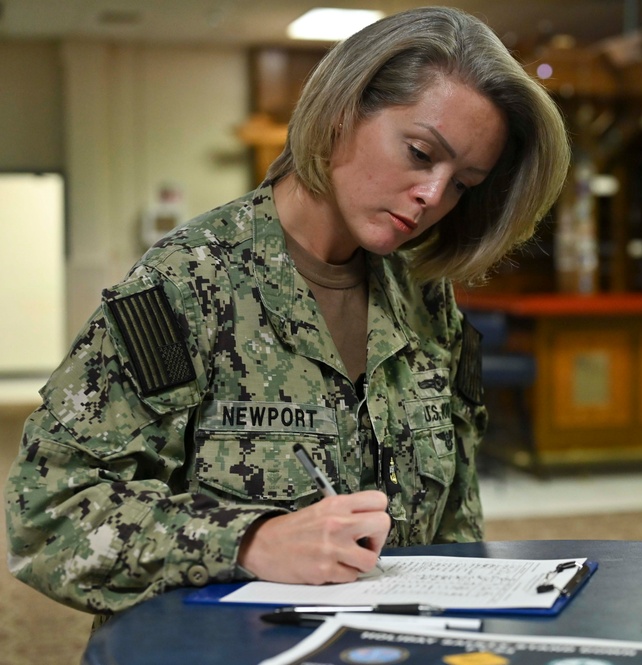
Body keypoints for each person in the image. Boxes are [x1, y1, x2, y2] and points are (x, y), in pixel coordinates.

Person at [4, 6, 570, 624]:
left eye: (462, 182)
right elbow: (47, 514)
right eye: (418, 152)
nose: (434, 196)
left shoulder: (423, 298)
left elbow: (457, 515)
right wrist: (248, 542)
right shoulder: (189, 284)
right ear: (339, 113)